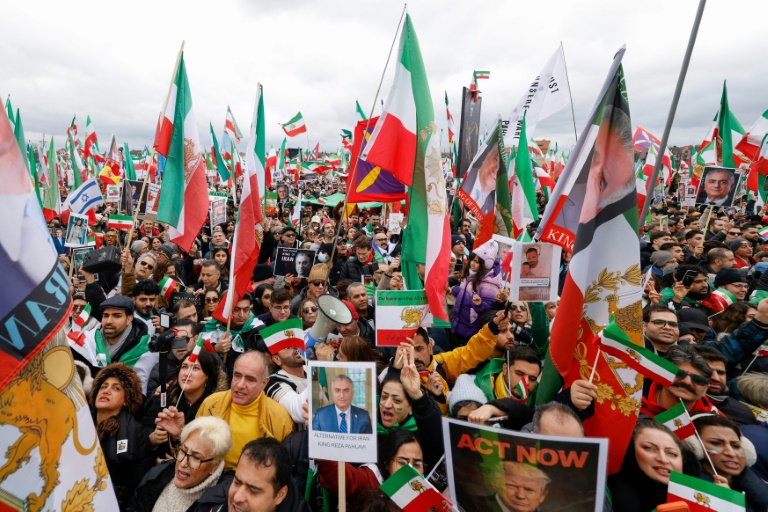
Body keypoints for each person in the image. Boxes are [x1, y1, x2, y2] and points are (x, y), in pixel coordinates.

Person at [157, 350, 294, 469]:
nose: (240, 385)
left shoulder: (280, 418)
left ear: (264, 383)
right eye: (237, 376)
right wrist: (178, 436)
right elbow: (193, 457)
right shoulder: (211, 404)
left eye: (250, 379)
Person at [130, 417, 232, 512]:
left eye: (196, 457)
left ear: (215, 466)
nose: (183, 463)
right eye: (183, 450)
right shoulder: (156, 476)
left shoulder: (223, 504)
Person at [143, 349, 228, 460]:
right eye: (184, 367)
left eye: (195, 368)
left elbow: (212, 450)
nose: (187, 373)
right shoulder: (167, 395)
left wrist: (180, 436)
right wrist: (153, 439)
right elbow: (144, 428)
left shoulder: (216, 406)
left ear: (208, 375)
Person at [89, 363, 152, 509]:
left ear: (126, 400)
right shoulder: (78, 421)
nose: (106, 391)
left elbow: (136, 486)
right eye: (103, 386)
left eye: (116, 388)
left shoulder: (136, 433)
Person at [69, 294, 156, 395]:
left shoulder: (146, 350)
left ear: (129, 319)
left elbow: (140, 395)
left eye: (117, 316)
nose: (109, 321)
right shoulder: (84, 342)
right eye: (105, 316)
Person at [190, 437, 308, 512]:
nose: (237, 497)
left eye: (253, 491)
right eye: (237, 482)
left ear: (280, 495)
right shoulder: (210, 504)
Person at [608, 420, 696, 512]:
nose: (663, 459)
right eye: (649, 448)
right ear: (630, 451)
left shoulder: (698, 498)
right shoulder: (611, 494)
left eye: (672, 453)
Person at [687, 415, 768, 512]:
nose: (731, 453)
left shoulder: (752, 482)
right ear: (694, 447)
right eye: (716, 443)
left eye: (736, 446)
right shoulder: (687, 492)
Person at [451, 241, 503, 346]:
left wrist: (479, 304)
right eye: (472, 260)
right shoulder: (471, 274)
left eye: (477, 262)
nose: (472, 264)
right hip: (458, 325)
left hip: (470, 332)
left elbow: (488, 311)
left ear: (485, 265)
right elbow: (464, 291)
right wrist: (452, 290)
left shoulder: (489, 283)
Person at [460, 137, 499, 216]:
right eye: (496, 159)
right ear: (486, 157)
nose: (496, 170)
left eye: (502, 168)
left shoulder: (492, 207)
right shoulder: (462, 183)